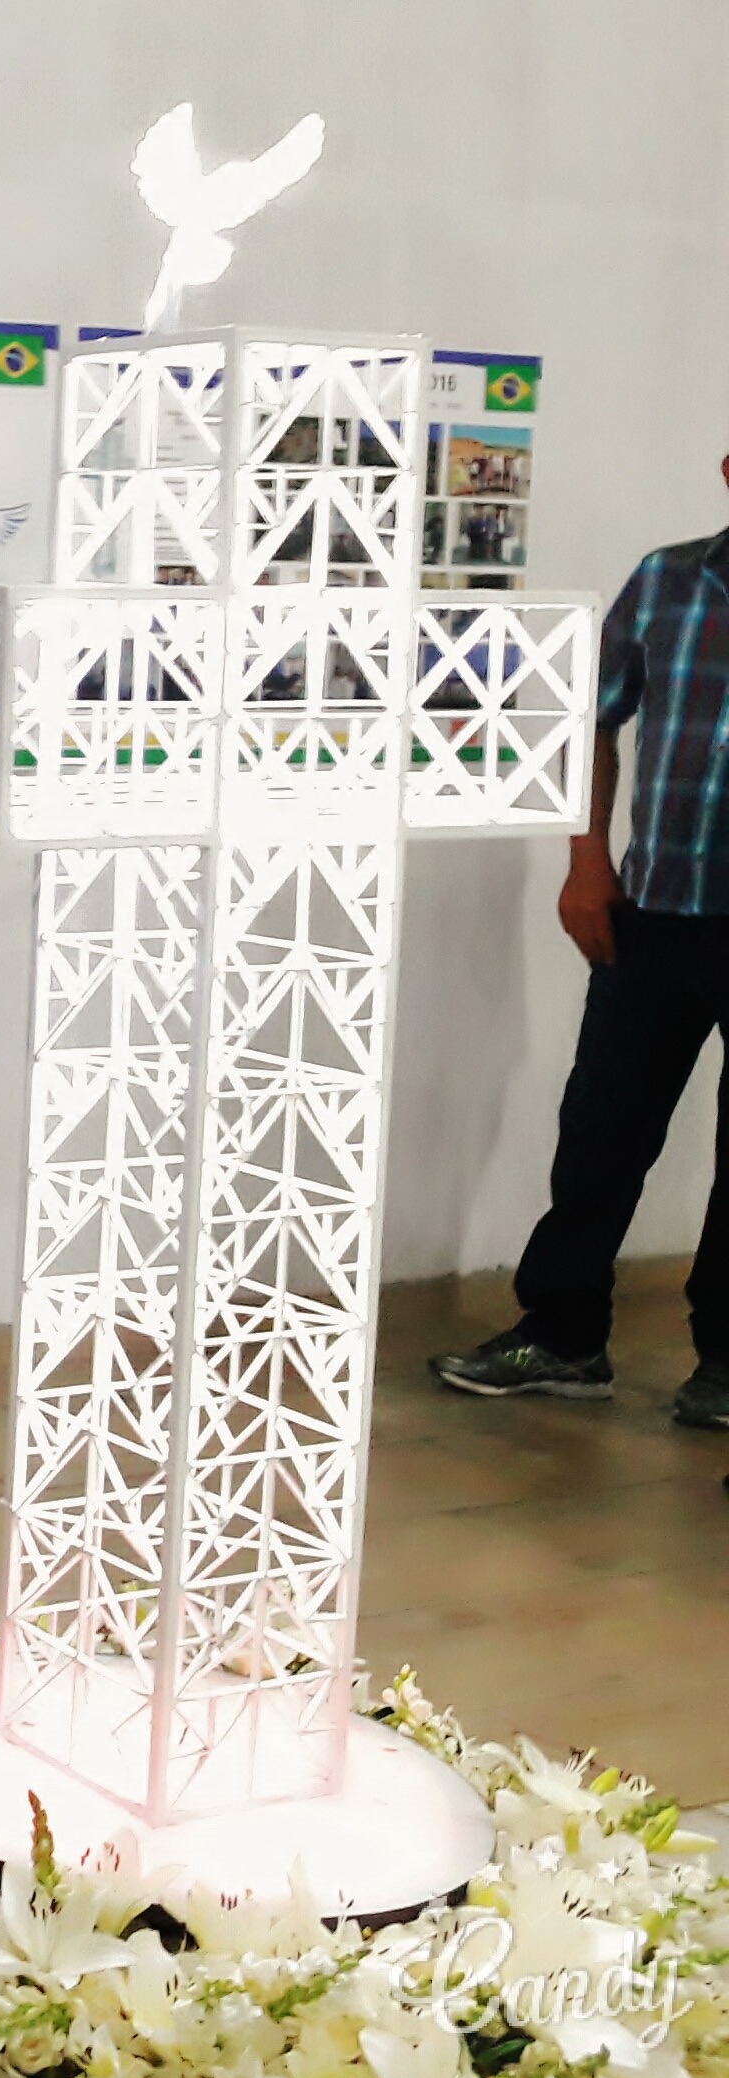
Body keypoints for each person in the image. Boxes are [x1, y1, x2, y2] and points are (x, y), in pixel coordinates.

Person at [431, 454, 729, 1432]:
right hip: (653, 913)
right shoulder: (667, 581)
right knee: (600, 1131)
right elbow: (587, 722)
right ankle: (562, 1335)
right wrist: (586, 863)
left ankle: (725, 1366)